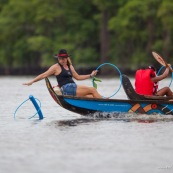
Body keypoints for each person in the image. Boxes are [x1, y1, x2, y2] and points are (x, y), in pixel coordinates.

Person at [23, 49, 102, 98]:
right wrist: (32, 82)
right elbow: (43, 75)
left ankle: (102, 107)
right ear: (58, 58)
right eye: (60, 58)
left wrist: (90, 75)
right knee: (93, 90)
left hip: (74, 87)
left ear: (67, 58)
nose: (62, 60)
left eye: (64, 58)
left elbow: (78, 77)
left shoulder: (70, 66)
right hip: (66, 88)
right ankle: (105, 105)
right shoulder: (56, 67)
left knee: (91, 96)